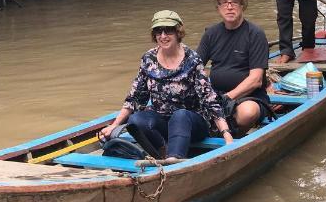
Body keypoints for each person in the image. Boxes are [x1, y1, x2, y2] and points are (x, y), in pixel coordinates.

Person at [99, 9, 234, 163]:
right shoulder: (148, 59)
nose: (163, 36)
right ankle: (162, 153)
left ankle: (174, 159)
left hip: (191, 122)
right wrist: (114, 126)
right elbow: (134, 99)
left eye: (168, 30)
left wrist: (226, 132)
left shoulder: (192, 59)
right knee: (136, 120)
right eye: (158, 31)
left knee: (180, 116)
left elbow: (209, 99)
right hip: (162, 122)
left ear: (178, 32)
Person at [197, 0, 272, 135]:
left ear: (242, 7)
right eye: (224, 3)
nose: (229, 7)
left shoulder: (255, 34)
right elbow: (195, 67)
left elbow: (256, 79)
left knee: (247, 113)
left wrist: (227, 98)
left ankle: (234, 134)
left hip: (249, 97)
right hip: (216, 94)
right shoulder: (210, 34)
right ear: (219, 8)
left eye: (234, 2)